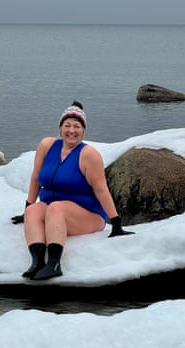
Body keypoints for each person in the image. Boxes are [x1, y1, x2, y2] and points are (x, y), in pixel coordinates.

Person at [12, 101, 133, 280]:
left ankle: (54, 264)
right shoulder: (47, 146)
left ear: (83, 131)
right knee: (33, 211)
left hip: (89, 215)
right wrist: (27, 207)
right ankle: (37, 262)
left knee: (56, 208)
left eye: (77, 126)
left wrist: (115, 223)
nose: (71, 130)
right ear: (60, 128)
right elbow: (36, 177)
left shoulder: (88, 155)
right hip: (55, 210)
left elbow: (101, 190)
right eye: (67, 125)